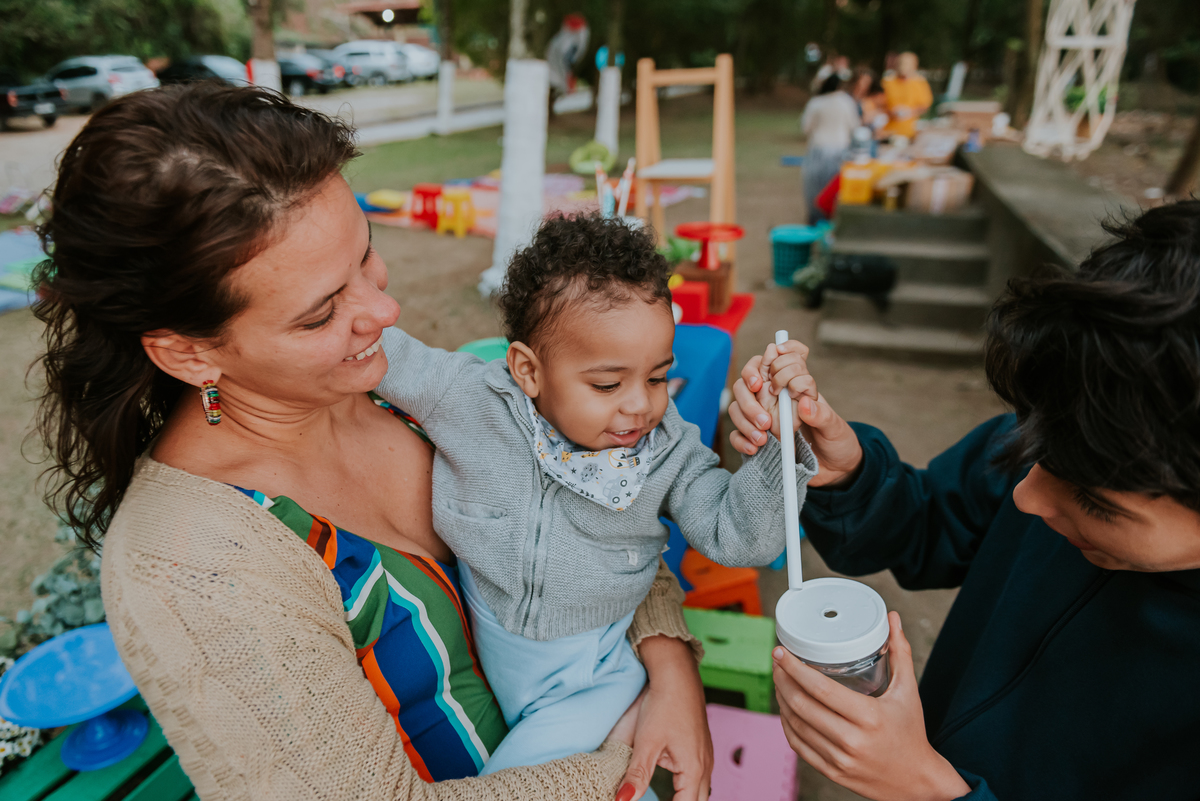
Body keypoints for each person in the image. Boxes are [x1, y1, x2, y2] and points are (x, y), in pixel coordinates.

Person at [34, 82, 712, 801]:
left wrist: (668, 662)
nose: (384, 308)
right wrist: (630, 763)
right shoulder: (189, 567)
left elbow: (596, 517)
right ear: (191, 353)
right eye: (321, 311)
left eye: (366, 255)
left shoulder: (396, 383)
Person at [726, 201, 1200, 800]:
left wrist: (927, 787)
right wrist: (847, 474)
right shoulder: (1076, 429)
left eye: (1096, 502)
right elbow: (933, 522)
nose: (1026, 497)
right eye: (1031, 453)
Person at [373, 214, 818, 776]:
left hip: (594, 676)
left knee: (509, 785)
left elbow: (739, 536)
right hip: (504, 655)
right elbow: (389, 351)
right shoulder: (467, 398)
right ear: (528, 371)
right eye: (608, 384)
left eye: (657, 377)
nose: (640, 405)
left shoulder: (667, 448)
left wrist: (780, 443)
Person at [800, 75, 860, 222]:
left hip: (818, 150)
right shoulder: (846, 102)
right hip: (840, 151)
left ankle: (814, 225)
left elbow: (805, 128)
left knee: (815, 194)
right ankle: (832, 226)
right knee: (833, 195)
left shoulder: (816, 102)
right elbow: (855, 126)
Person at [880, 52, 932, 140]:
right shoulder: (887, 82)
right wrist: (891, 112)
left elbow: (925, 106)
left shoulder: (920, 83)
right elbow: (878, 103)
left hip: (909, 132)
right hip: (887, 131)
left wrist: (909, 112)